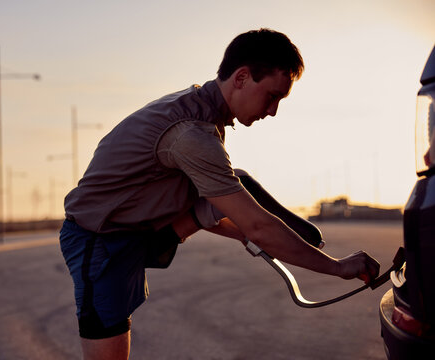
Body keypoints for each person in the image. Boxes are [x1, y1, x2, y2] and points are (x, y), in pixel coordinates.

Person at [59, 28, 380, 360]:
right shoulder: (192, 135)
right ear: (241, 78)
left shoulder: (203, 111)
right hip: (99, 242)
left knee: (231, 187)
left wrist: (242, 233)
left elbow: (236, 220)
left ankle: (245, 204)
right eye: (271, 96)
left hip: (139, 231)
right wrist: (337, 267)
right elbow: (259, 227)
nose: (273, 111)